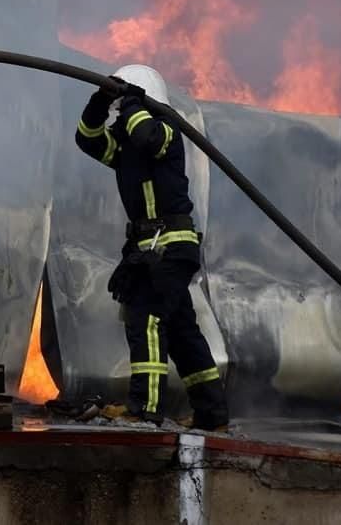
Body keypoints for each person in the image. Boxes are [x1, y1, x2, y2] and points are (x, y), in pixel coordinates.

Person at [74, 64, 230, 430]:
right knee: (181, 331)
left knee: (145, 316)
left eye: (125, 104)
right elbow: (87, 138)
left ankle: (145, 408)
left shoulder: (165, 132)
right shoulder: (127, 149)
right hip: (152, 248)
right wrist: (101, 100)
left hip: (170, 246)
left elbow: (146, 135)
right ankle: (212, 414)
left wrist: (131, 103)